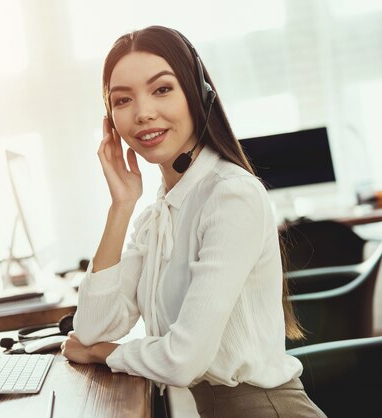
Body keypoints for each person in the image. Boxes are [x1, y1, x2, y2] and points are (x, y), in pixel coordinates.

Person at [60, 26, 326, 417]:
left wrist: (105, 354)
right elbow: (91, 329)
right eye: (123, 100)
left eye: (162, 89)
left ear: (199, 95)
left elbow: (182, 360)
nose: (143, 112)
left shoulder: (230, 195)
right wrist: (121, 206)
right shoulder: (159, 211)